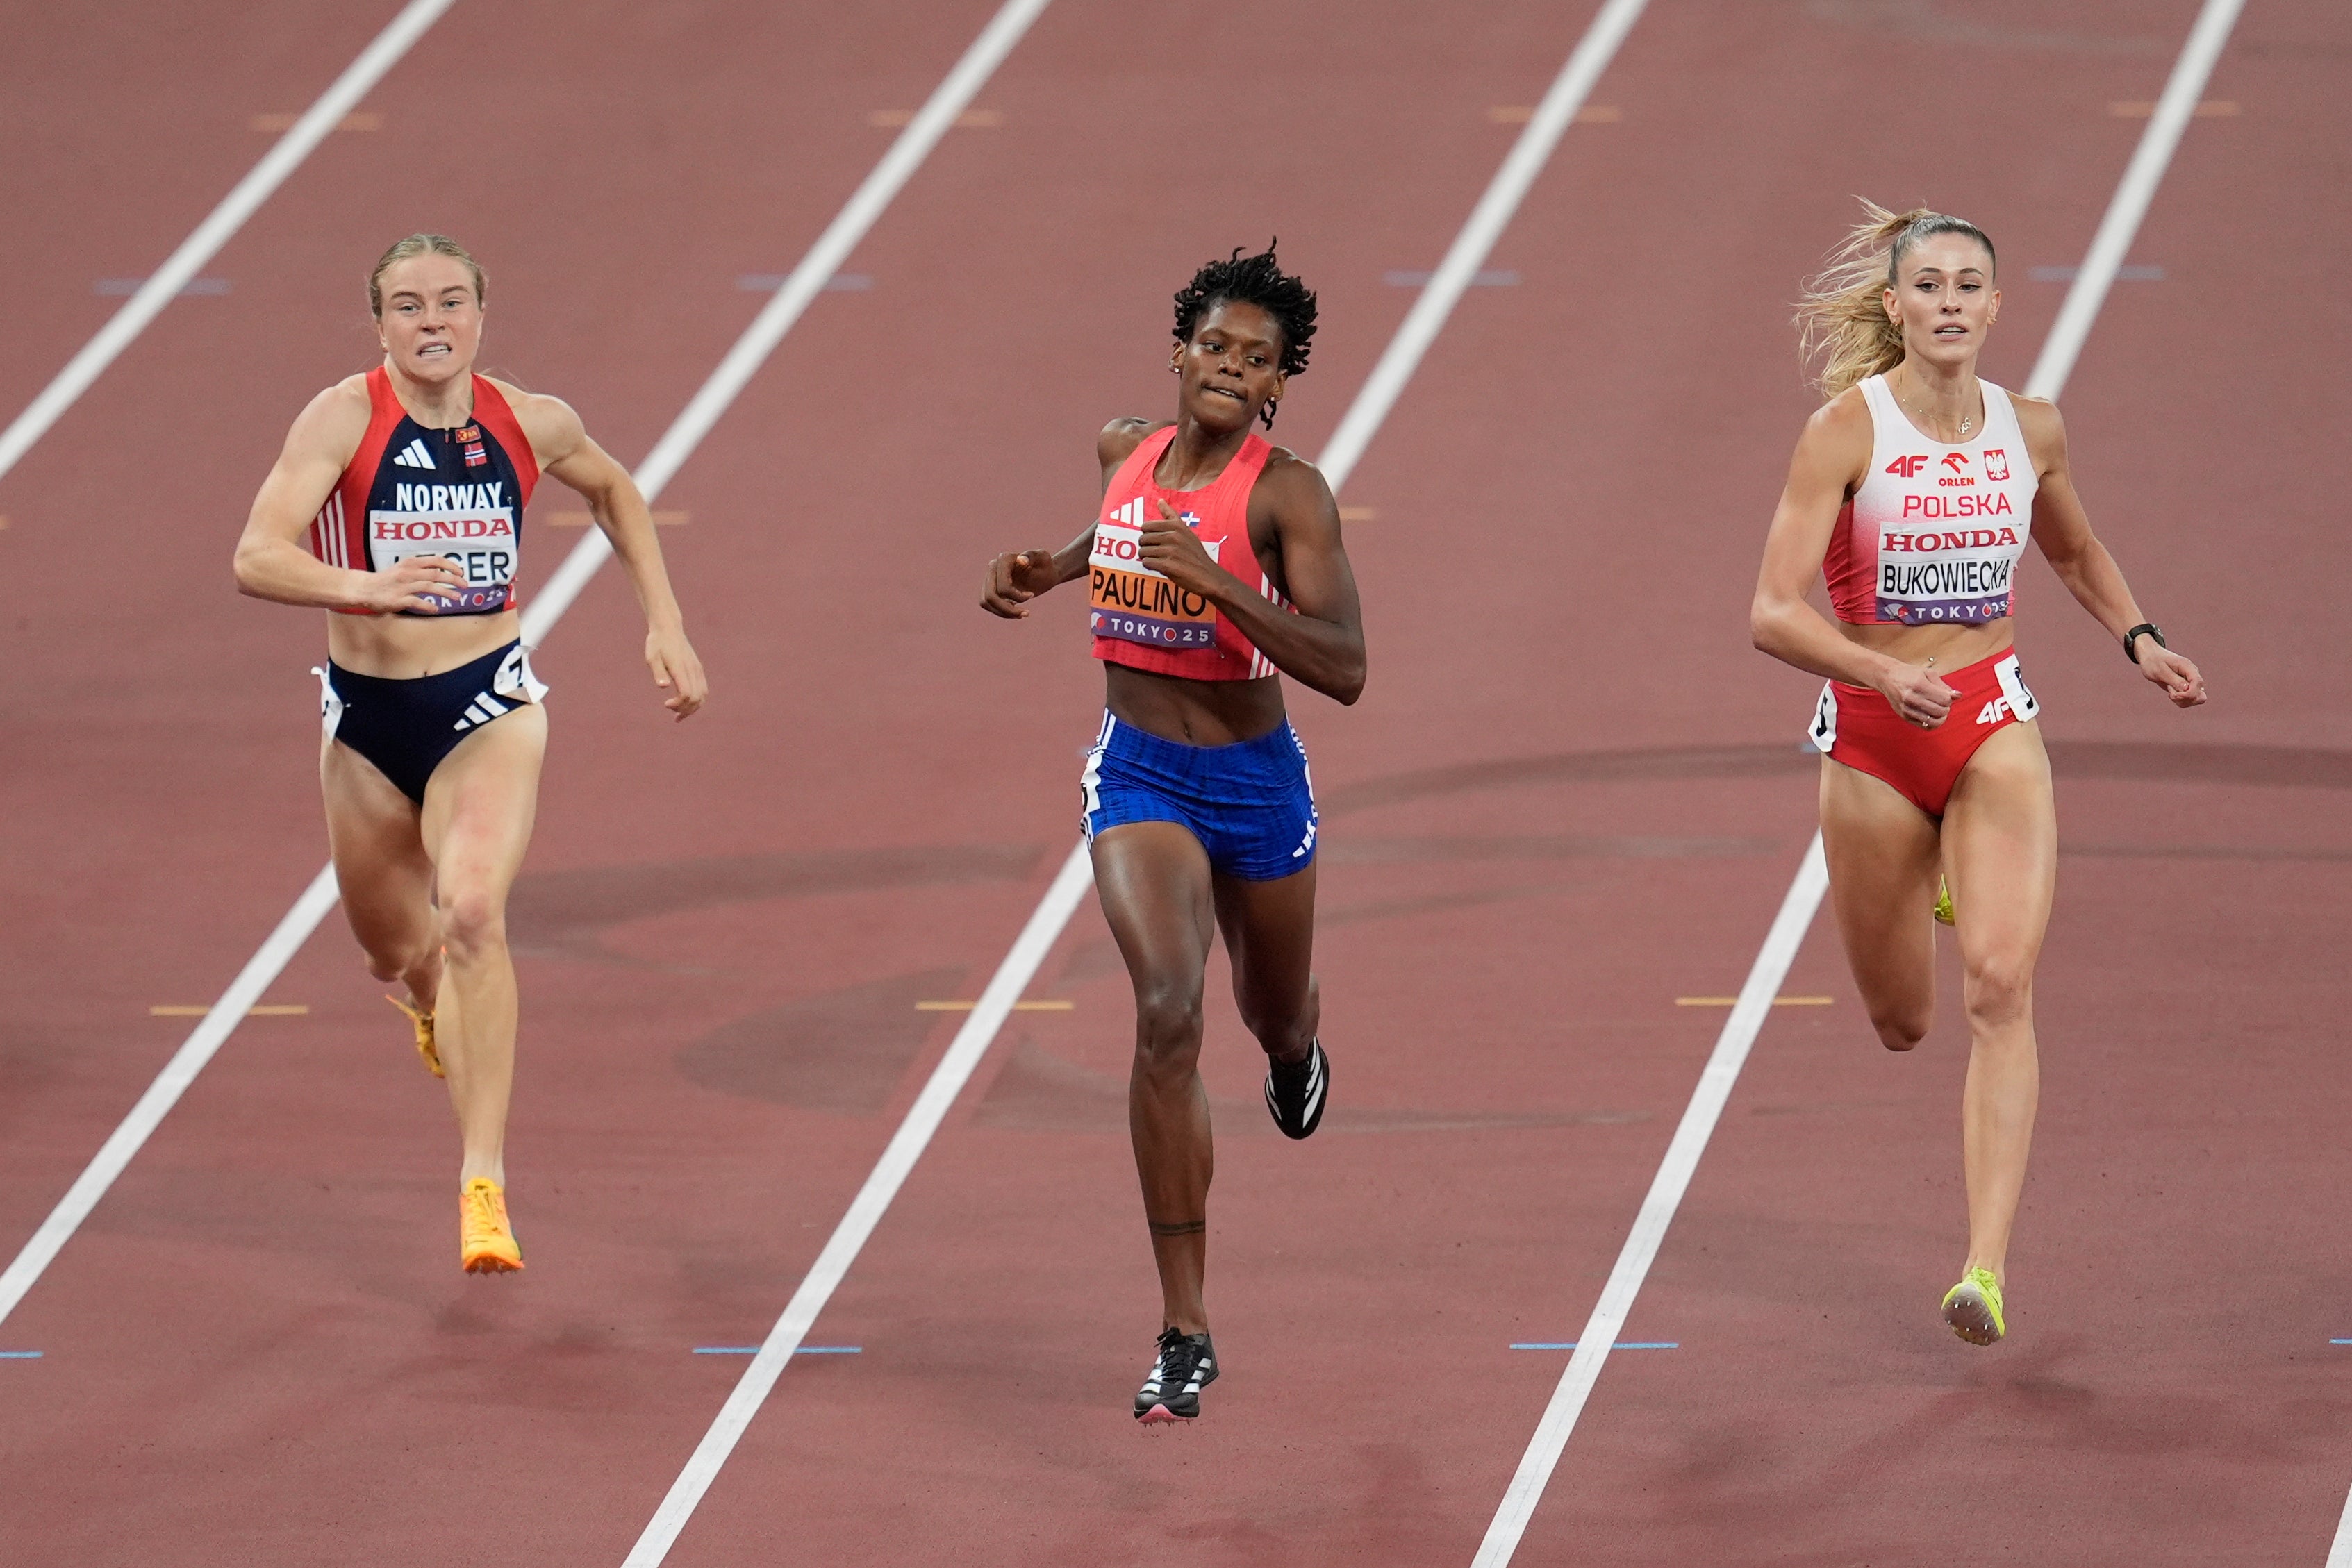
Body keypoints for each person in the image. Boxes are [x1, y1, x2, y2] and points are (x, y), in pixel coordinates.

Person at [1750, 203, 2205, 1344]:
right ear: (1896, 305)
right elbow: (1768, 611)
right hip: (1869, 735)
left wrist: (2139, 639)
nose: (1950, 303)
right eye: (1930, 285)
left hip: (1991, 720)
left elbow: (2072, 549)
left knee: (2001, 987)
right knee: (1903, 1021)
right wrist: (1871, 671)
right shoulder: (1842, 433)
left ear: (1995, 307)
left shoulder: (2030, 428)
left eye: (1969, 286)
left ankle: (1983, 1268)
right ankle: (1936, 875)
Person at [233, 234, 706, 1272]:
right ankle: (426, 1003)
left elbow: (618, 491)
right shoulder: (341, 418)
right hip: (363, 720)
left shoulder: (531, 421)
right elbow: (255, 554)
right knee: (396, 951)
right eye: (408, 306)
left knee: (476, 910)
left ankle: (480, 1183)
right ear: (381, 325)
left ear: (482, 316)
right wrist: (361, 586)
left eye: (450, 301)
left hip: (485, 702)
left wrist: (663, 622)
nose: (431, 321)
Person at [980, 245, 1365, 1419]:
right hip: (1140, 771)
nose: (1228, 368)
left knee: (1269, 1009)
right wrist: (1044, 570)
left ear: (1274, 388)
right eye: (1213, 345)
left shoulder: (1287, 494)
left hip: (1254, 782)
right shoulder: (1123, 449)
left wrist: (1221, 586)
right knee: (1165, 1011)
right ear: (1180, 352)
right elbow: (1112, 539)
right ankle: (1184, 1323)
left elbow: (1345, 666)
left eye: (1255, 359)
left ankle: (1296, 1053)